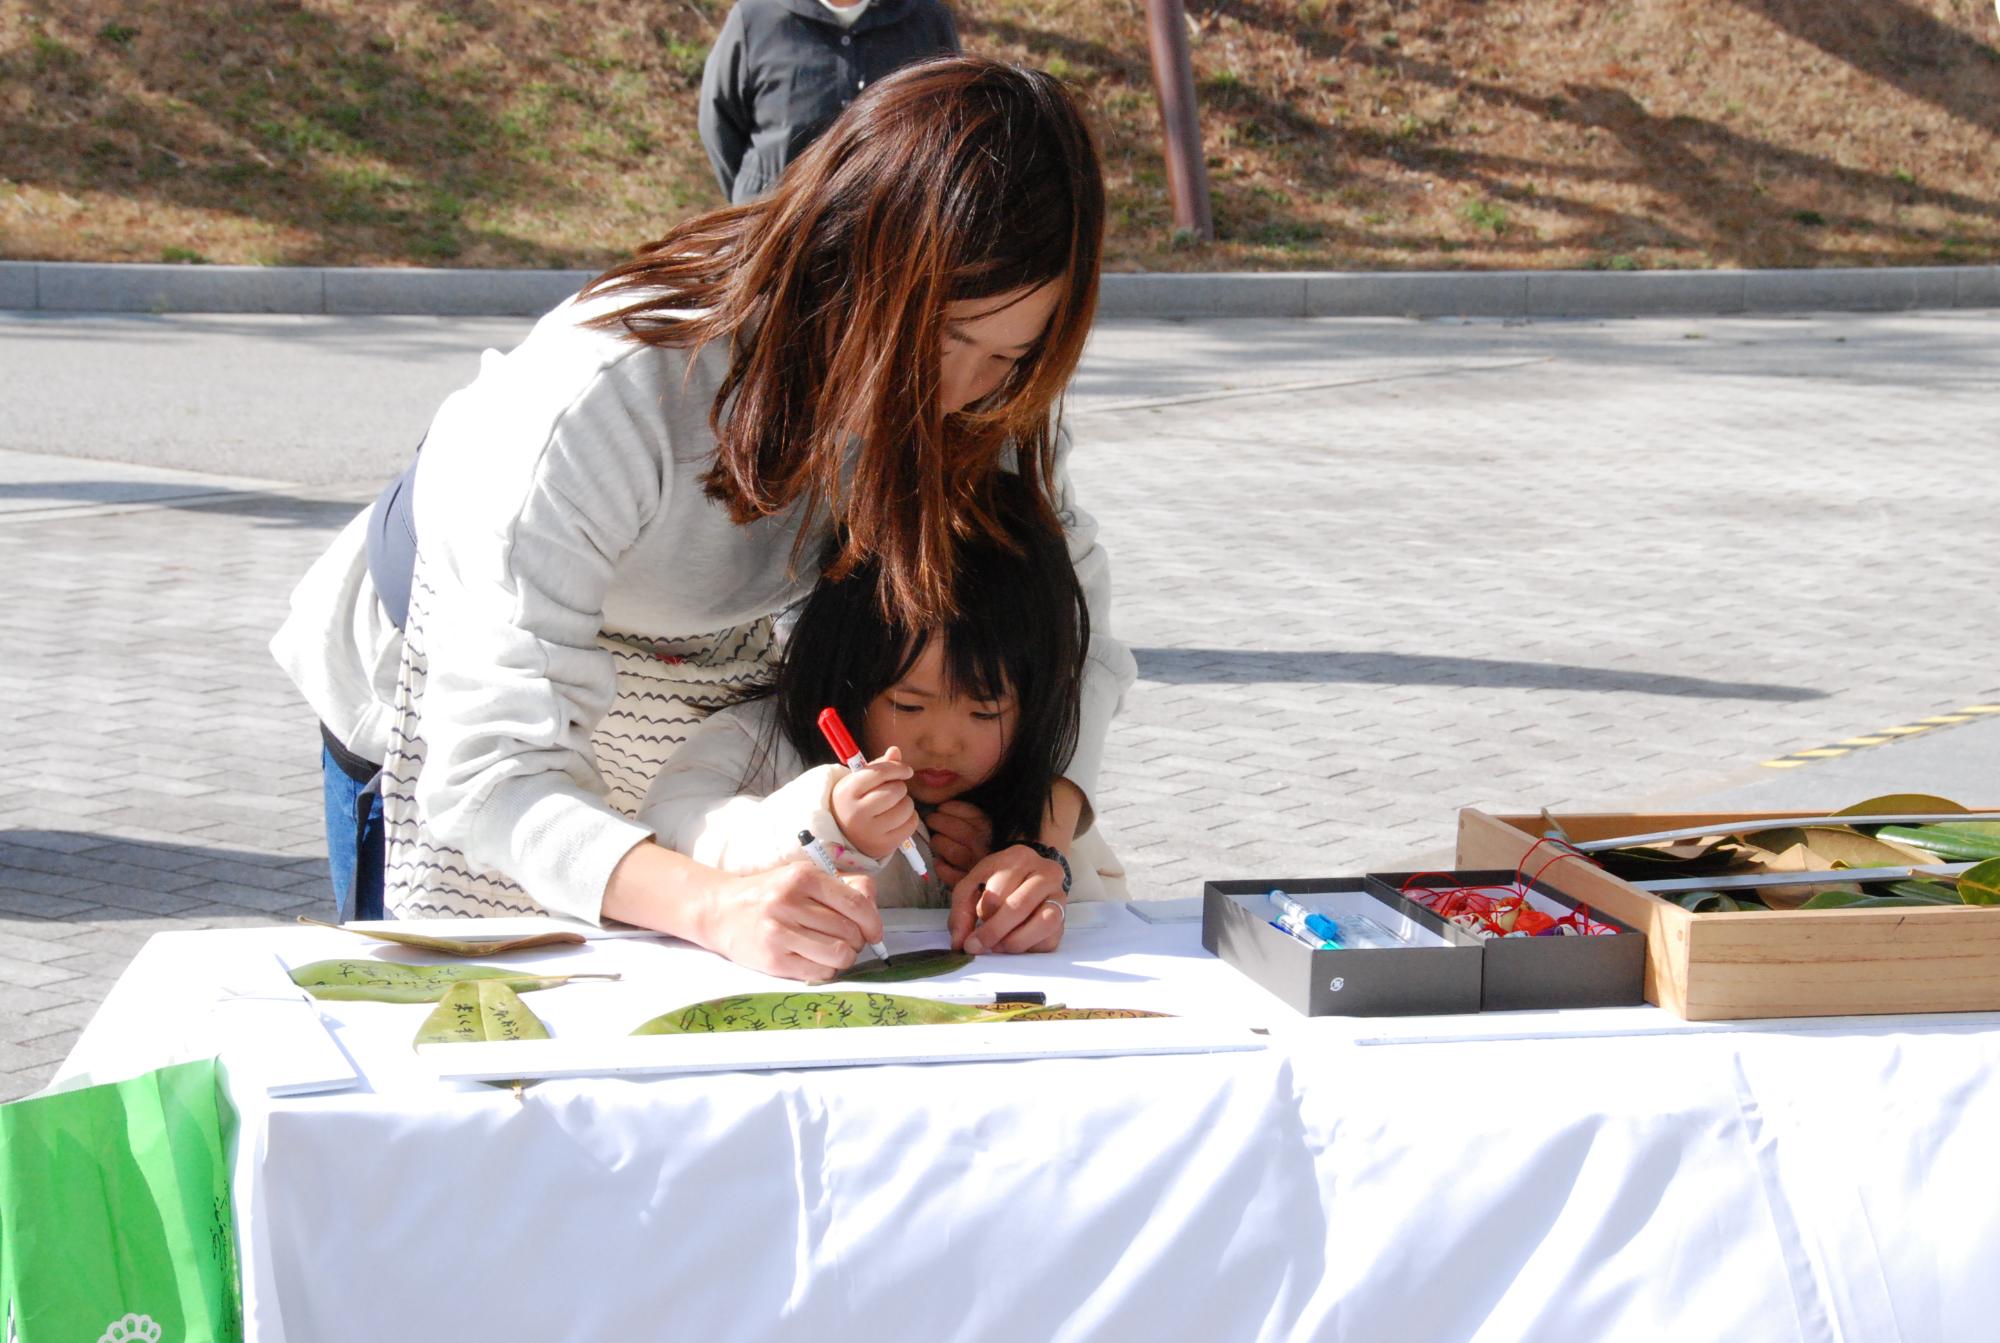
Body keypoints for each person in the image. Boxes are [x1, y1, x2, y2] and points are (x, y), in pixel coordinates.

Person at [270, 57, 1136, 983]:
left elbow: (1069, 632)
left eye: (1009, 355)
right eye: (945, 339)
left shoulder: (979, 395)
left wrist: (1034, 839)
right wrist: (713, 906)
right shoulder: (610, 394)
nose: (961, 394)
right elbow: (491, 780)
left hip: (688, 683)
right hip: (459, 696)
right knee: (483, 1037)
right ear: (849, 255)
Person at [641, 474, 1127, 953]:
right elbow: (671, 826)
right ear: (845, 666)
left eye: (985, 712)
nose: (942, 742)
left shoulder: (1038, 792)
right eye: (908, 704)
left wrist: (1010, 876)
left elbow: (1101, 914)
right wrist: (825, 822)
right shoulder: (760, 742)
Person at [699, 0, 960, 204]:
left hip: (887, 243)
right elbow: (719, 124)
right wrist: (762, 195)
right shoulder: (755, 18)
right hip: (771, 238)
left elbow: (952, 126)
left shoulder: (928, 21)